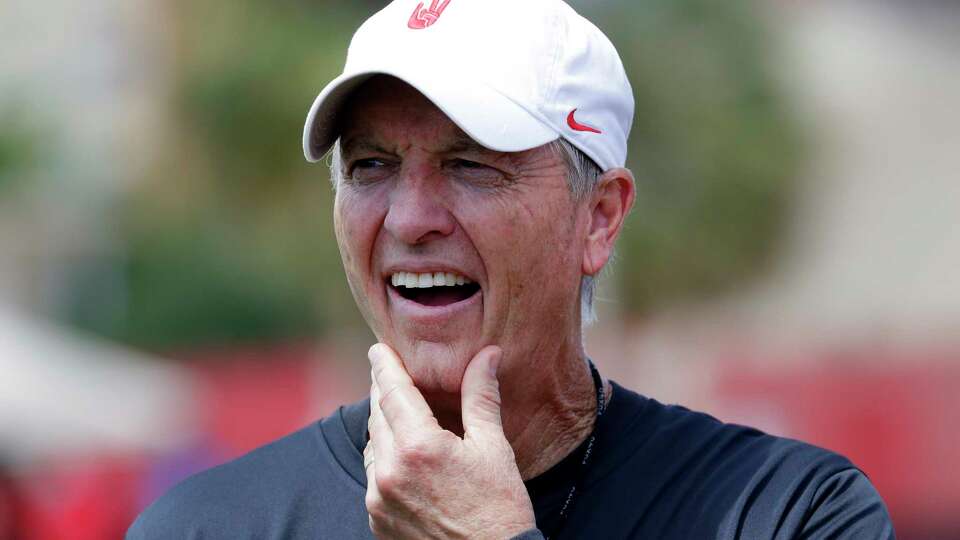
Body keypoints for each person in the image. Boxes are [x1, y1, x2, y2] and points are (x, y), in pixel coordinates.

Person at [127, 0, 895, 538]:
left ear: (599, 218)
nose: (408, 218)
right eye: (370, 166)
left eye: (470, 165)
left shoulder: (787, 513)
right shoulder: (205, 527)